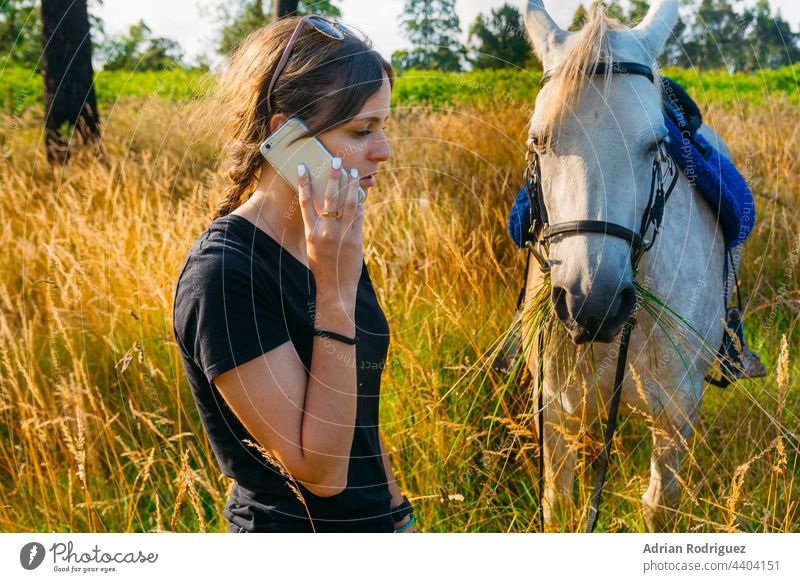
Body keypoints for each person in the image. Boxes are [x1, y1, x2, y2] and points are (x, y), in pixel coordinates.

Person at [172, 15, 416, 533]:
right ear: (286, 136)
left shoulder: (327, 240)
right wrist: (334, 288)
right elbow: (320, 473)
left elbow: (360, 419)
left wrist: (399, 515)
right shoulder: (222, 275)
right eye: (361, 130)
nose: (383, 149)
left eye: (383, 127)